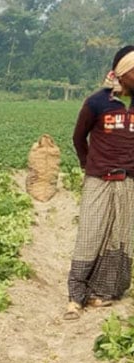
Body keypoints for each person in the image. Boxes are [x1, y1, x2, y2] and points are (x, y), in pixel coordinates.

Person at [66, 44, 134, 320]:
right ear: (123, 73)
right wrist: (88, 164)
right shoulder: (97, 103)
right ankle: (75, 295)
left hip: (128, 181)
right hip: (99, 179)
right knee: (90, 235)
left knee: (120, 238)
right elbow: (78, 138)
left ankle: (103, 292)